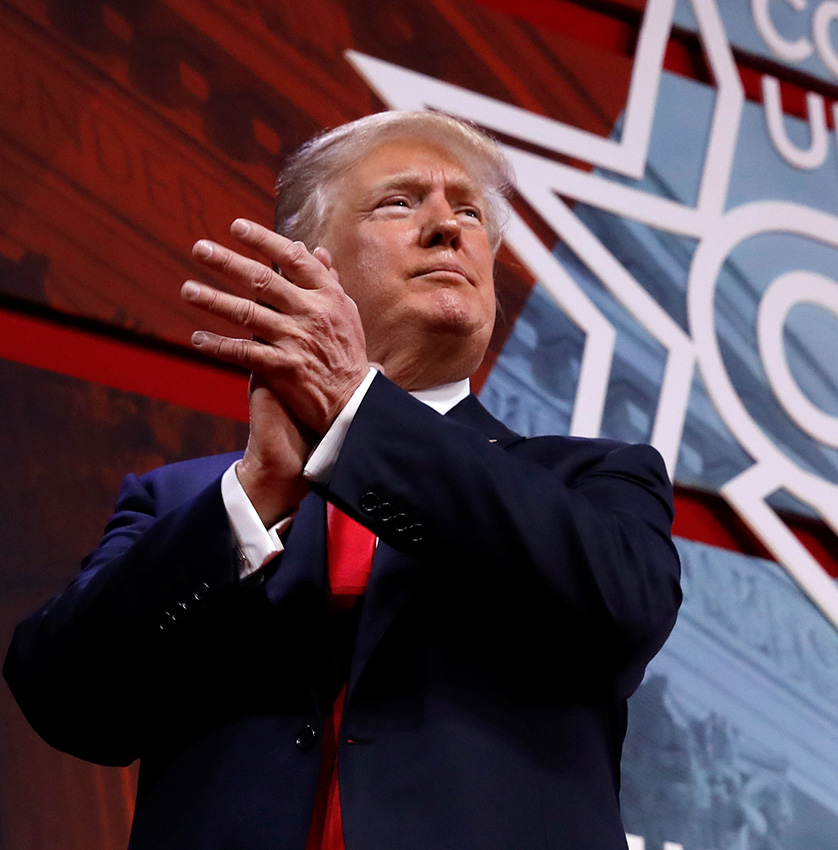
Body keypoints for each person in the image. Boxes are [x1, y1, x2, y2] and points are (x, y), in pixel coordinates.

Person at [5, 110, 682, 850]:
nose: (448, 227)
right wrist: (254, 499)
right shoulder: (182, 502)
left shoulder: (595, 479)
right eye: (400, 201)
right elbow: (63, 699)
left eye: (471, 213)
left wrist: (358, 415)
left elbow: (625, 610)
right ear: (309, 265)